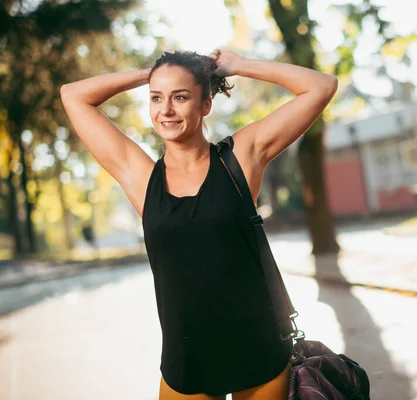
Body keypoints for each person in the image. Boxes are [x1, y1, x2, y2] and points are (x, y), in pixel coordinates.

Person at [60, 49, 337, 400]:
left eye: (180, 97)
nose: (166, 110)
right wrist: (154, 73)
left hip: (260, 352)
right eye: (156, 98)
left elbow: (321, 86)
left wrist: (239, 66)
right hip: (186, 362)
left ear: (206, 104)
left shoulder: (241, 158)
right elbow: (72, 95)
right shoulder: (142, 176)